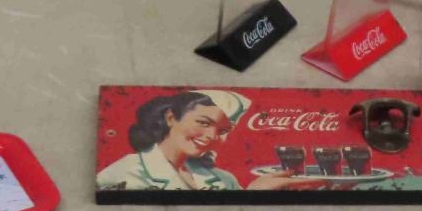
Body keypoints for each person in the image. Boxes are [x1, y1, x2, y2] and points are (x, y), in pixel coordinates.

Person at [95, 89, 320, 191]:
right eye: (203, 123)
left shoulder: (224, 179)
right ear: (171, 118)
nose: (212, 137)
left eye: (223, 130)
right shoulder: (124, 173)